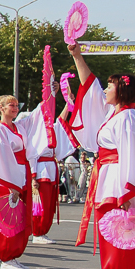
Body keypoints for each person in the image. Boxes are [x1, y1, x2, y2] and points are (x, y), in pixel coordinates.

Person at [67, 42, 135, 269]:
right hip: (107, 179)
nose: (106, 89)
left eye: (111, 86)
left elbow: (132, 156)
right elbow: (91, 87)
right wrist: (77, 56)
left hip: (117, 184)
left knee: (121, 238)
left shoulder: (127, 118)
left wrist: (127, 194)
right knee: (111, 237)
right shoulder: (114, 114)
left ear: (122, 91)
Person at [0, 95, 44, 269]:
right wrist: (11, 184)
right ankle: (5, 256)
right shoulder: (0, 129)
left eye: (16, 105)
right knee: (9, 218)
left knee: (20, 217)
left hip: (22, 175)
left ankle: (13, 255)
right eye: (11, 105)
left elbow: (35, 116)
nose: (15, 108)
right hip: (9, 179)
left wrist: (48, 95)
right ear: (1, 108)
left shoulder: (19, 126)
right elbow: (3, 157)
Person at [30, 103, 76, 244]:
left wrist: (68, 104)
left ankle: (43, 231)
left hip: (51, 169)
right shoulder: (35, 132)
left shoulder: (52, 129)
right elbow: (32, 155)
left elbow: (61, 121)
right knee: (42, 204)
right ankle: (37, 232)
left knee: (50, 204)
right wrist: (33, 176)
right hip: (41, 170)